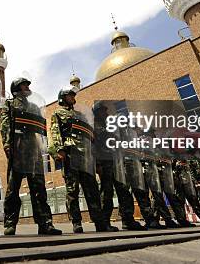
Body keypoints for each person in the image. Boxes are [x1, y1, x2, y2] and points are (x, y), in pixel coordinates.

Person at [48, 86, 118, 233]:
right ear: (63, 97)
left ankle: (100, 223)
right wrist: (59, 150)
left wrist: (96, 159)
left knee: (92, 190)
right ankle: (76, 223)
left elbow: (90, 137)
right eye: (70, 95)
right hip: (70, 155)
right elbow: (55, 132)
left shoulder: (81, 115)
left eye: (74, 95)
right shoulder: (58, 113)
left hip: (86, 157)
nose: (73, 97)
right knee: (72, 191)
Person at [0, 77, 61, 236]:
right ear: (16, 88)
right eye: (24, 85)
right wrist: (7, 145)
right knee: (13, 189)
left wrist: (44, 147)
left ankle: (45, 224)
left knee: (39, 189)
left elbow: (40, 128)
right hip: (17, 150)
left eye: (28, 85)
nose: (27, 87)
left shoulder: (34, 106)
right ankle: (10, 223)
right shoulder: (9, 104)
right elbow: (5, 125)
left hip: (33, 151)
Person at [93, 102, 144, 230]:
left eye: (105, 111)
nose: (105, 113)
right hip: (105, 163)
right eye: (102, 111)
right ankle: (104, 222)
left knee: (123, 190)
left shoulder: (111, 125)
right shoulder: (94, 126)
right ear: (97, 112)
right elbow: (93, 147)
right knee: (107, 193)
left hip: (117, 162)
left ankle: (127, 220)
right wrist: (97, 164)